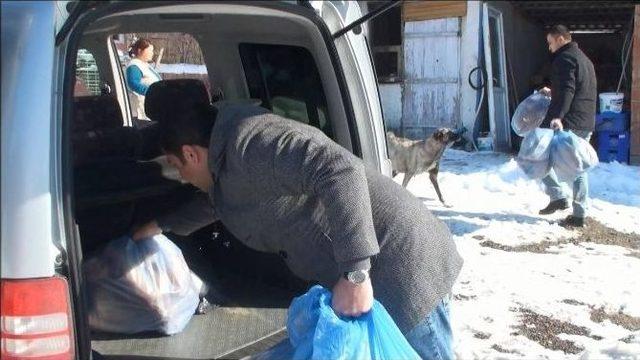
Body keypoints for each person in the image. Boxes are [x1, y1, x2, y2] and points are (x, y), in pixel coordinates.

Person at [132, 79, 463, 359]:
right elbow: (225, 201)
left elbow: (340, 170)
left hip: (403, 267)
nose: (181, 175)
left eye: (178, 166)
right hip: (368, 270)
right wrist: (162, 225)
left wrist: (356, 272)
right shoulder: (223, 162)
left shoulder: (250, 143)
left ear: (192, 153)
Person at [538, 25, 597, 228]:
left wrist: (557, 116)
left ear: (561, 39)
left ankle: (570, 206)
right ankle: (565, 202)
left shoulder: (565, 59)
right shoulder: (583, 58)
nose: (549, 47)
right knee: (572, 166)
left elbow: (568, 91)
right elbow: (570, 88)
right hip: (584, 120)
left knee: (537, 156)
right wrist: (552, 91)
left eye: (550, 42)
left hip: (571, 122)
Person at [125, 38, 162, 121]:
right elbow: (133, 84)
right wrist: (152, 92)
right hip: (141, 112)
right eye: (150, 50)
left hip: (150, 107)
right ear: (140, 51)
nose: (152, 53)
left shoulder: (144, 65)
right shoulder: (134, 66)